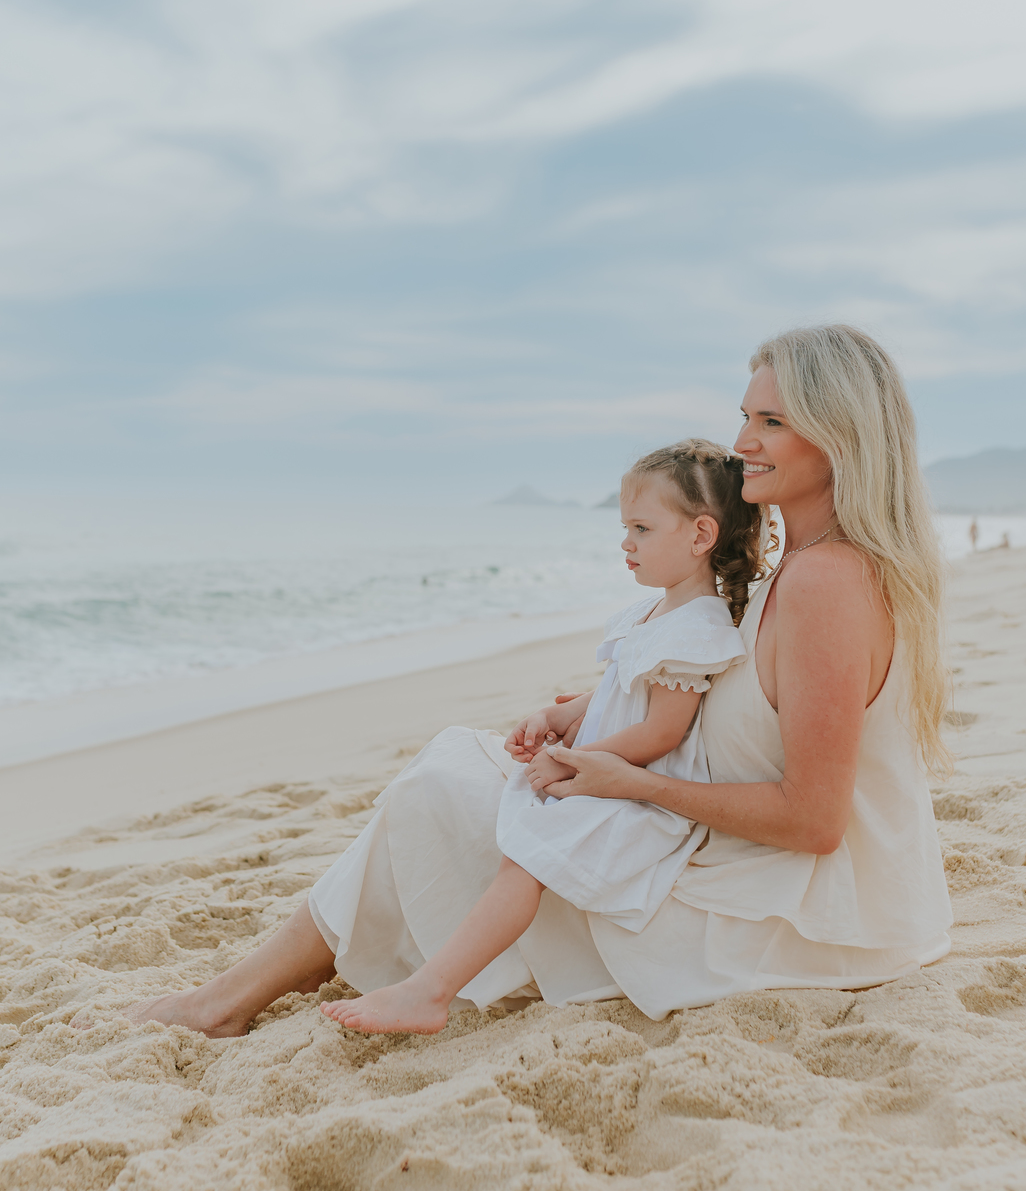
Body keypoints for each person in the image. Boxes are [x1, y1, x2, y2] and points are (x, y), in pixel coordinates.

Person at [118, 323, 953, 1039]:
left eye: (773, 422)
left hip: (803, 919)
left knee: (439, 791)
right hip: (776, 884)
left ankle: (233, 999)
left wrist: (631, 783)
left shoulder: (825, 583)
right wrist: (591, 711)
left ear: (838, 434)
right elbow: (729, 695)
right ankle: (248, 989)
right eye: (745, 416)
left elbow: (813, 820)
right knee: (456, 778)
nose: (742, 444)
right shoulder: (794, 569)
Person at [317, 440, 754, 1034]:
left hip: (638, 795)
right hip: (606, 772)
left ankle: (430, 991)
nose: (626, 542)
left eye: (642, 528)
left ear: (701, 535)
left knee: (523, 861)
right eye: (626, 527)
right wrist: (560, 716)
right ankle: (428, 974)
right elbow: (620, 691)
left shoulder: (696, 628)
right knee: (500, 826)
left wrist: (574, 758)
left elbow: (659, 732)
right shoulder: (655, 614)